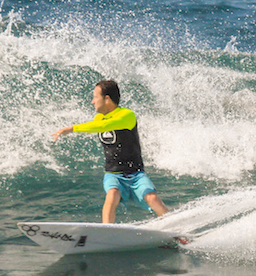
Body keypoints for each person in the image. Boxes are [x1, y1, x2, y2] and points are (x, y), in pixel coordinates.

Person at [51, 79, 170, 224]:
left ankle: (173, 227)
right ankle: (107, 230)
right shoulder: (99, 118)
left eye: (95, 97)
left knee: (152, 197)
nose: (92, 102)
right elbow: (98, 125)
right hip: (113, 174)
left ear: (107, 98)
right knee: (112, 194)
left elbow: (105, 126)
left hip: (136, 174)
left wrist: (72, 128)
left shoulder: (127, 115)